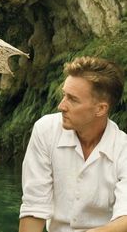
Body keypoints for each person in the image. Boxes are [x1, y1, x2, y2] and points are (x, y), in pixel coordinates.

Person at [19, 56, 127, 232]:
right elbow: (34, 207)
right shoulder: (46, 130)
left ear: (100, 109)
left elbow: (125, 219)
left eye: (72, 99)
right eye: (64, 95)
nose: (61, 106)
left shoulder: (123, 150)